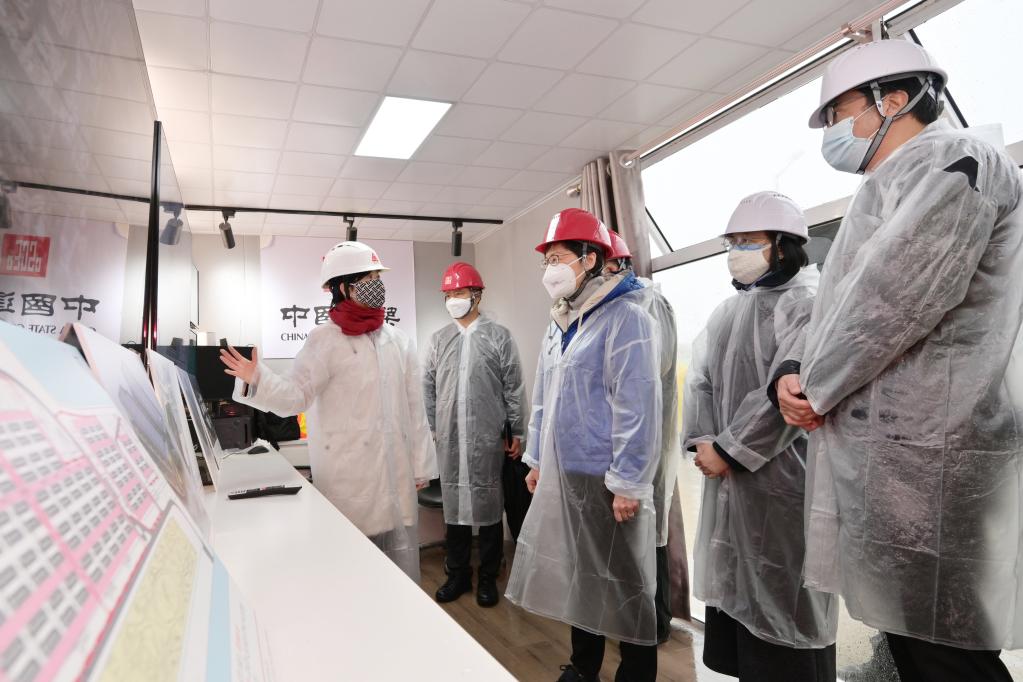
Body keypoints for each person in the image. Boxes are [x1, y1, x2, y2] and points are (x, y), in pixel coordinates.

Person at [770, 38, 1023, 682]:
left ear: (894, 99)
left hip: (937, 448)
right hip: (897, 454)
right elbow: (839, 302)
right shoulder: (889, 184)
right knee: (913, 635)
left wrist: (816, 385)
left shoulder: (956, 159)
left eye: (838, 113)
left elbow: (893, 297)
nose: (833, 131)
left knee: (947, 648)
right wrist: (793, 373)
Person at [684, 191, 836, 681]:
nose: (737, 252)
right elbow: (701, 382)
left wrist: (728, 450)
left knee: (786, 601)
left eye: (748, 241)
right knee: (738, 599)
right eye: (732, 242)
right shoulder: (728, 312)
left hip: (787, 482)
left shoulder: (809, 305)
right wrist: (704, 441)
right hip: (729, 477)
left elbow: (788, 396)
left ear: (784, 246)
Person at [220, 241, 438, 583]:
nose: (376, 284)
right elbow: (296, 396)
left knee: (396, 576)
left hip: (395, 477)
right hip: (347, 481)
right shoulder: (325, 340)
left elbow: (415, 408)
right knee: (348, 573)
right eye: (367, 278)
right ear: (342, 287)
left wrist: (421, 464)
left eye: (377, 277)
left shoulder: (398, 340)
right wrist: (257, 378)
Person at [505, 208, 662, 682]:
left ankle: (636, 673)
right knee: (581, 576)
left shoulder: (626, 318)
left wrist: (628, 482)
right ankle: (583, 665)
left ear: (590, 258)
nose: (549, 269)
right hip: (565, 472)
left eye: (558, 258)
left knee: (626, 579)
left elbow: (637, 405)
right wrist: (536, 459)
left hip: (608, 477)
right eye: (546, 260)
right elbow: (543, 398)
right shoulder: (561, 321)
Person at [423, 261, 526, 608]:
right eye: (449, 293)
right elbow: (427, 388)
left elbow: (514, 387)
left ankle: (488, 577)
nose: (454, 298)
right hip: (450, 439)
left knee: (490, 508)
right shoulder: (439, 340)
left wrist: (517, 430)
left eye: (460, 292)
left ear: (477, 295)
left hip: (488, 439)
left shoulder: (499, 337)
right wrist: (433, 428)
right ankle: (457, 574)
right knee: (454, 510)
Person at [604, 230, 685, 644]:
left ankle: (656, 622)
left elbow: (651, 374)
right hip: (616, 442)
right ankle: (630, 621)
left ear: (617, 264)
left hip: (647, 438)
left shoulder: (650, 303)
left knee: (649, 534)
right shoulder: (608, 307)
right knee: (624, 540)